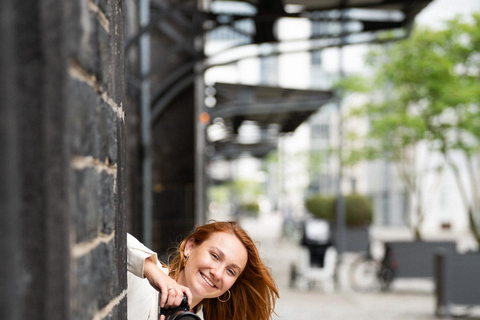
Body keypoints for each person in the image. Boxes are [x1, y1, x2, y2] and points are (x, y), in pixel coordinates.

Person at [127, 220, 279, 320]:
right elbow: (111, 236)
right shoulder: (141, 279)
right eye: (214, 256)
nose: (217, 273)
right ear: (190, 247)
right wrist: (149, 268)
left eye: (231, 271)